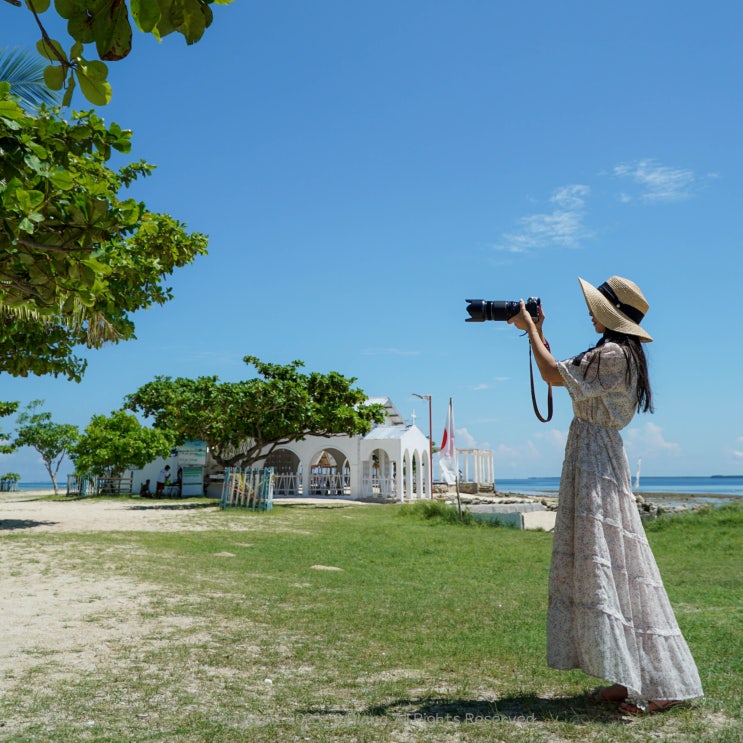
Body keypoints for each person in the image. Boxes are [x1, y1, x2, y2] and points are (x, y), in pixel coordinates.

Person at [508, 275, 703, 715]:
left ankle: (658, 684)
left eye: (597, 307)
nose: (590, 312)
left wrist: (532, 331)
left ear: (610, 315)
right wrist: (536, 331)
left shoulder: (613, 354)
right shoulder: (617, 353)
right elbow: (564, 371)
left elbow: (553, 373)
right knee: (612, 564)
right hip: (593, 452)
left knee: (616, 562)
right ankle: (626, 675)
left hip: (595, 455)